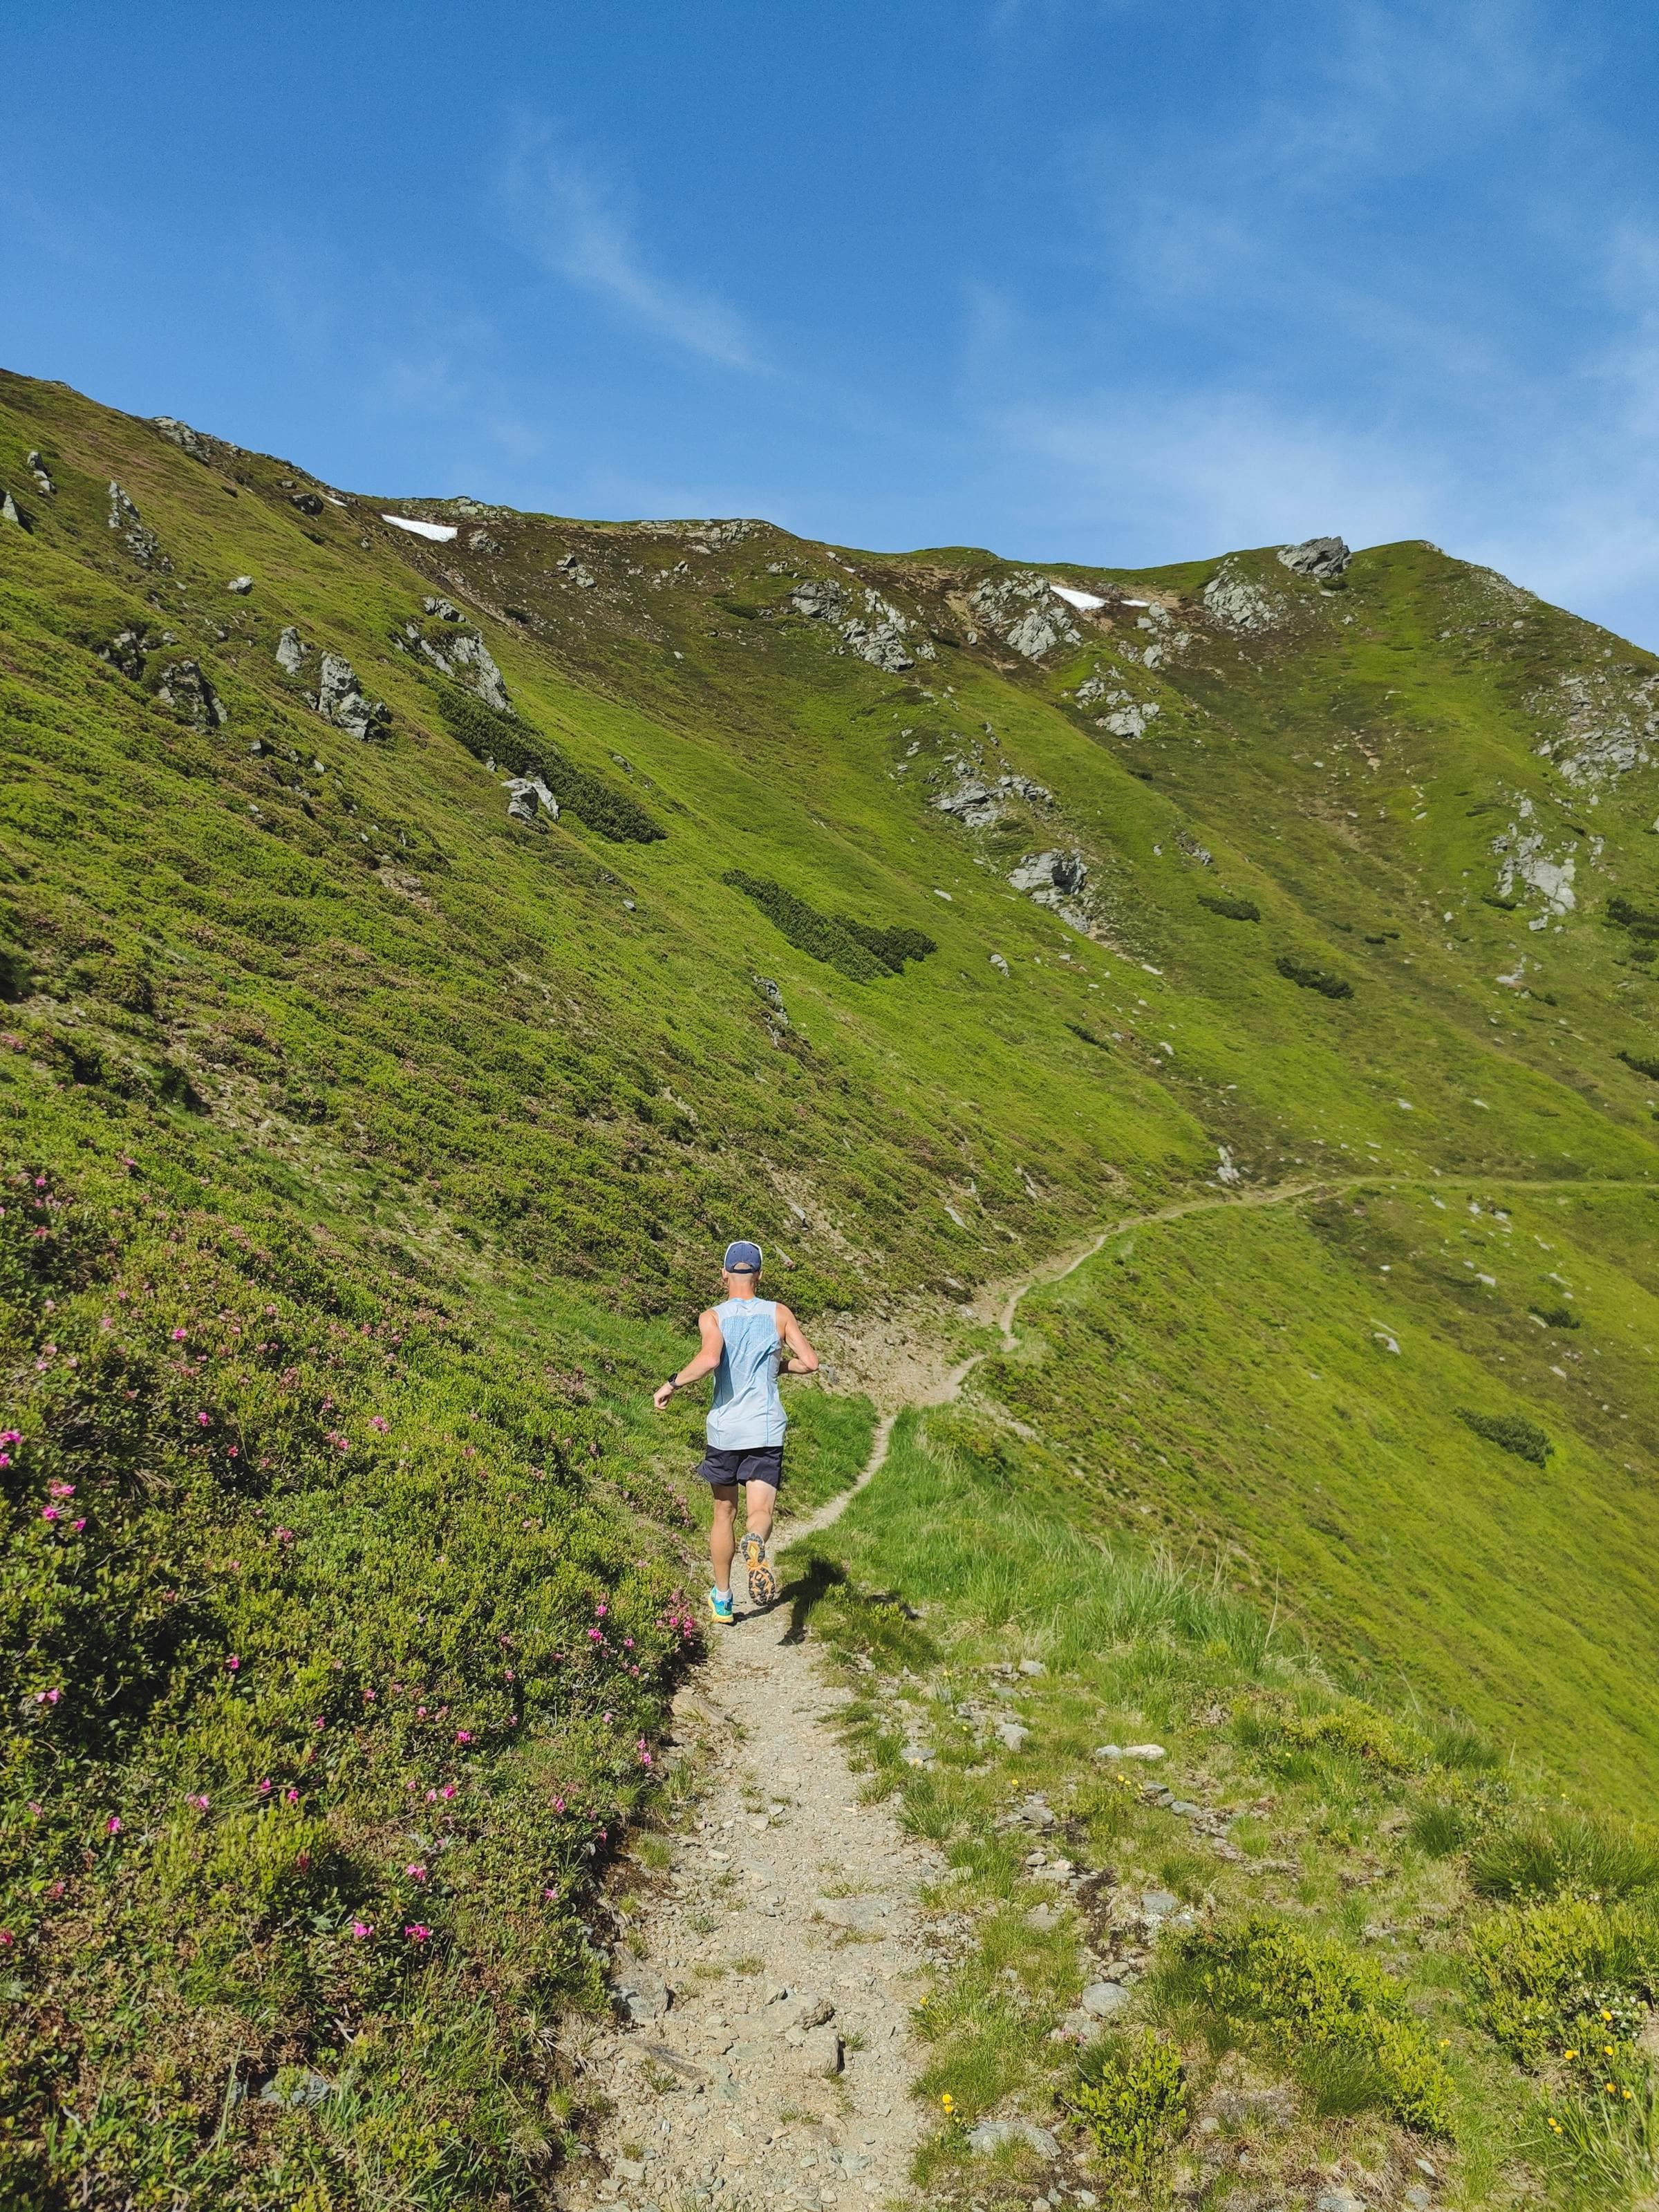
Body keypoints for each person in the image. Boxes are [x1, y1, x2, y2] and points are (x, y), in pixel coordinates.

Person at [653, 1240, 818, 1623]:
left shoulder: (713, 1316)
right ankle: (756, 1542)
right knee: (760, 1511)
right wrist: (779, 1368)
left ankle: (723, 1600)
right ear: (760, 1274)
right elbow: (810, 1362)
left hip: (725, 1431)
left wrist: (672, 1384)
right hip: (765, 1428)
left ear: (724, 1273)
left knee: (723, 1513)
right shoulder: (780, 1314)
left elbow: (711, 1359)